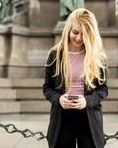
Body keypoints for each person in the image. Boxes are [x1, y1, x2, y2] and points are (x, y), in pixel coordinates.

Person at [43, 8, 108, 148]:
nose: (78, 38)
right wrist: (58, 99)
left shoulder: (98, 57)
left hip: (88, 118)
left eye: (84, 34)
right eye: (75, 32)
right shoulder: (54, 55)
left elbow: (103, 90)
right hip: (62, 119)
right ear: (68, 29)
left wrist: (87, 101)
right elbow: (47, 88)